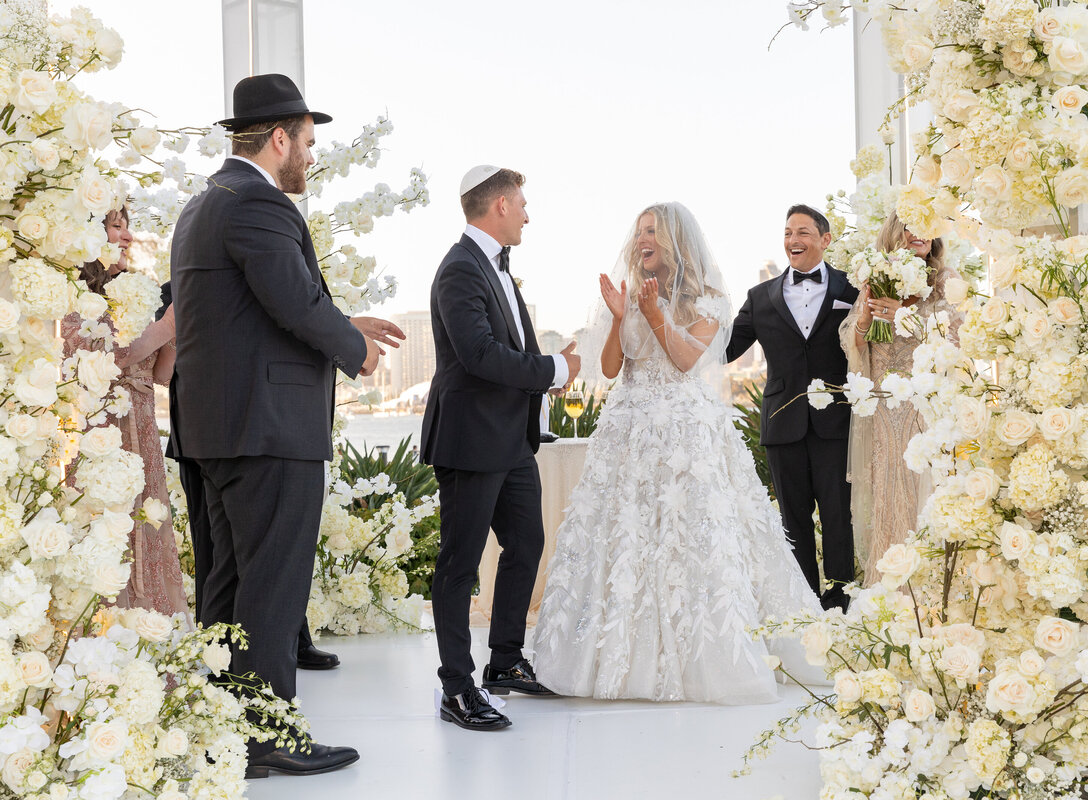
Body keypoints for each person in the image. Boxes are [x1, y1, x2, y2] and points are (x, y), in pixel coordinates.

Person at [169, 73, 402, 779]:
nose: (309, 156)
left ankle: (226, 733)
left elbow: (256, 309)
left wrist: (340, 321)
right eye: (306, 142)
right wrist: (355, 349)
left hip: (218, 430)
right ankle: (268, 734)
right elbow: (294, 304)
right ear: (278, 139)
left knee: (231, 591)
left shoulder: (205, 204)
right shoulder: (260, 207)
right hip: (266, 430)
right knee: (270, 589)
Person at [530, 202, 822, 704]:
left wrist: (654, 314)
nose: (642, 238)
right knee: (627, 536)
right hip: (629, 430)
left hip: (686, 434)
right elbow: (612, 367)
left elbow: (687, 360)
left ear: (672, 241)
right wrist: (624, 317)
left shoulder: (709, 299)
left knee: (692, 537)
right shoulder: (628, 292)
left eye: (652, 231)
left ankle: (709, 659)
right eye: (639, 230)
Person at [421, 165, 581, 731]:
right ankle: (456, 688)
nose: (529, 214)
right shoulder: (460, 269)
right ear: (500, 207)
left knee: (526, 542)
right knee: (459, 565)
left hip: (511, 440)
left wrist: (549, 375)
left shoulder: (498, 270)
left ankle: (505, 662)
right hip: (470, 441)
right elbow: (480, 357)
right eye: (523, 204)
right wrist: (555, 366)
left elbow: (512, 348)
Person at [160, 283, 338, 670]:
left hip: (252, 426)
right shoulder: (175, 288)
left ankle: (286, 642)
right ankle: (223, 664)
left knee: (257, 557)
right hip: (215, 431)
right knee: (220, 557)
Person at [725, 204, 859, 611]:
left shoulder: (852, 287)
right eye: (787, 233)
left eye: (802, 232)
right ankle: (803, 602)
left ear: (825, 239)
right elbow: (724, 350)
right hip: (782, 422)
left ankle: (840, 600)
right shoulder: (760, 297)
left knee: (838, 515)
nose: (793, 240)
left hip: (835, 421)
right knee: (792, 521)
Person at [62, 207, 189, 619]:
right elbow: (113, 356)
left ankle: (150, 635)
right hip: (101, 429)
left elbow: (161, 373)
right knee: (106, 525)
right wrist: (167, 325)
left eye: (127, 226)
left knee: (146, 523)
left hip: (143, 427)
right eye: (117, 226)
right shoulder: (73, 295)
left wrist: (175, 326)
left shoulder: (138, 289)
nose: (128, 236)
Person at [839, 212, 963, 585]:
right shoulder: (876, 276)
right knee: (887, 493)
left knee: (923, 489)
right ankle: (889, 588)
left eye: (927, 225)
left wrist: (904, 315)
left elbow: (956, 343)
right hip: (882, 405)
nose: (919, 233)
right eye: (910, 224)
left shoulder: (946, 282)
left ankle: (927, 588)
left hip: (925, 407)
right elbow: (856, 344)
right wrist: (866, 318)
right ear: (895, 231)